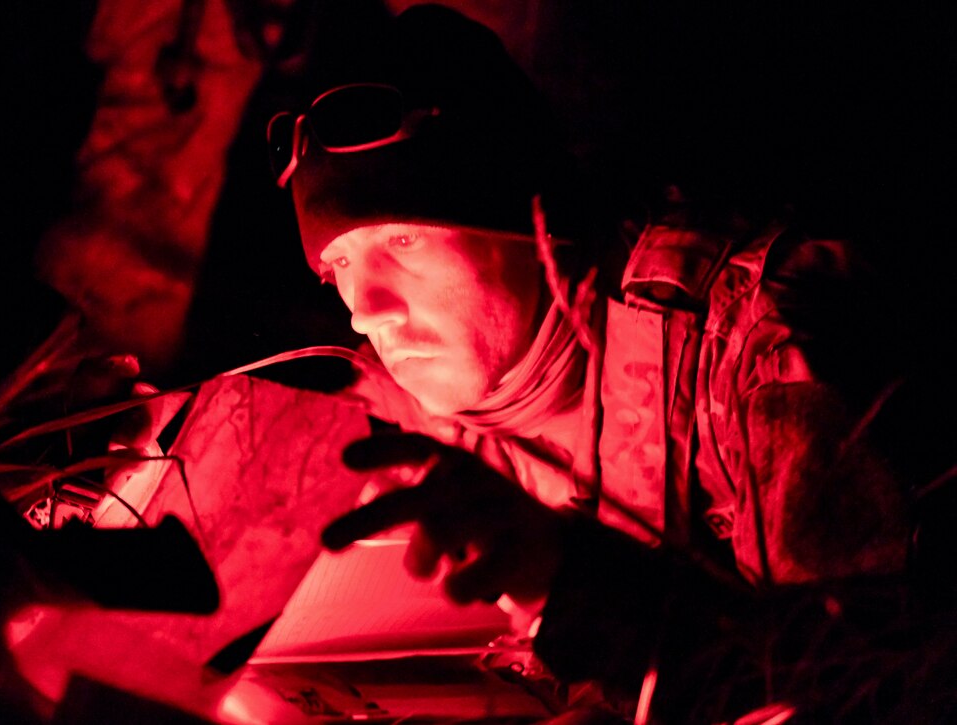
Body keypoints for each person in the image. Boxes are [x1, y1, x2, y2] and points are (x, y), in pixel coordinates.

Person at [266, 4, 951, 720]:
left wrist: (580, 590)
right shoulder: (404, 408)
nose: (366, 307)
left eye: (403, 242)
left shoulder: (760, 344)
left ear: (533, 221)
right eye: (337, 263)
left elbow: (872, 687)